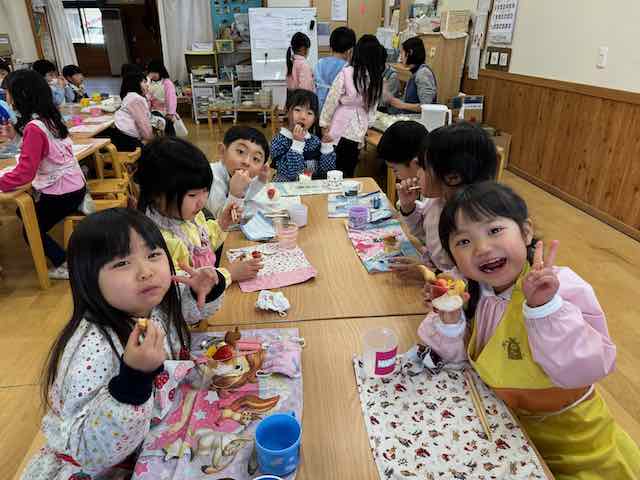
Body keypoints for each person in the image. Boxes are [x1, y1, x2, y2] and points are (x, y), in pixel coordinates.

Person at [419, 181, 640, 480]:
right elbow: (460, 360)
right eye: (463, 242)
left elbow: (589, 367)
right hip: (506, 430)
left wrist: (544, 309)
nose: (483, 248)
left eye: (494, 230)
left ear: (525, 232)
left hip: (575, 443)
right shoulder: (474, 291)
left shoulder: (563, 288)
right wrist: (450, 316)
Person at [20, 208, 224, 479]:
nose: (146, 272)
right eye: (121, 263)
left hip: (153, 436)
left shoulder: (151, 302)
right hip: (101, 465)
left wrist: (207, 289)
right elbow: (91, 449)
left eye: (153, 255)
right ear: (87, 280)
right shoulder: (91, 349)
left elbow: (187, 311)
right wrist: (134, 380)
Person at [135, 137, 261, 284]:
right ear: (157, 195)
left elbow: (204, 244)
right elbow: (184, 287)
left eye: (205, 191)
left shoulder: (189, 217)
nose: (202, 201)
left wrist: (222, 224)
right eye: (192, 195)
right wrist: (228, 274)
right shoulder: (158, 243)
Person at [0, 70, 87, 280]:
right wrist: (16, 138)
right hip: (75, 185)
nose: (6, 98)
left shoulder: (34, 127)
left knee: (29, 230)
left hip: (62, 191)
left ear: (21, 95)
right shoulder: (49, 118)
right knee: (25, 212)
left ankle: (64, 262)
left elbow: (24, 174)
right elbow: (46, 151)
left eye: (8, 93)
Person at [390, 122, 497, 279]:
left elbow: (471, 277)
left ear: (452, 177)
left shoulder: (471, 220)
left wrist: (428, 273)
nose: (418, 174)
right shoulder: (437, 200)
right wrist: (408, 207)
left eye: (423, 168)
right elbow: (424, 233)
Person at [319, 34, 386, 178]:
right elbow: (372, 109)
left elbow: (332, 99)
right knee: (348, 170)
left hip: (339, 126)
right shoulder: (376, 79)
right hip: (357, 131)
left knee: (332, 168)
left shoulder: (347, 72)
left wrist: (324, 124)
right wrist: (366, 125)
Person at [206, 125, 271, 219]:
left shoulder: (240, 176)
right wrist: (235, 193)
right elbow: (223, 221)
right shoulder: (212, 177)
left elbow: (246, 198)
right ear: (222, 151)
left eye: (256, 159)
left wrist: (261, 180)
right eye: (240, 152)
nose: (247, 162)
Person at [271, 89, 335, 182]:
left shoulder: (315, 140)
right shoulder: (279, 140)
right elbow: (291, 174)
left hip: (310, 188)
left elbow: (327, 171)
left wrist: (326, 146)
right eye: (297, 110)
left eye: (309, 113)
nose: (303, 117)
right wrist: (297, 143)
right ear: (287, 111)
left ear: (314, 118)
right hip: (287, 189)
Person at [385, 37, 437, 113]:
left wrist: (402, 105)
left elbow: (426, 107)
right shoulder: (415, 72)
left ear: (410, 53)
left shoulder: (423, 73)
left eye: (402, 53)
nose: (400, 58)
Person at [110, 72, 155, 151]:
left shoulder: (130, 95)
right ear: (136, 84)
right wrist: (151, 140)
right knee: (151, 149)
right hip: (127, 138)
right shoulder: (136, 99)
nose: (147, 85)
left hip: (121, 134)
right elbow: (143, 123)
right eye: (144, 82)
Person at [315, 26, 356, 110]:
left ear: (330, 47)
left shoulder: (320, 63)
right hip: (339, 114)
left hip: (320, 110)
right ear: (350, 51)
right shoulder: (348, 69)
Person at [146, 59, 177, 136]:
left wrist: (170, 113)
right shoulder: (148, 83)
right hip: (153, 111)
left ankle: (171, 140)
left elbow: (171, 99)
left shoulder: (167, 83)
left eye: (155, 72)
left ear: (160, 71)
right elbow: (147, 98)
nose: (153, 75)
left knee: (166, 122)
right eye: (151, 72)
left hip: (166, 111)